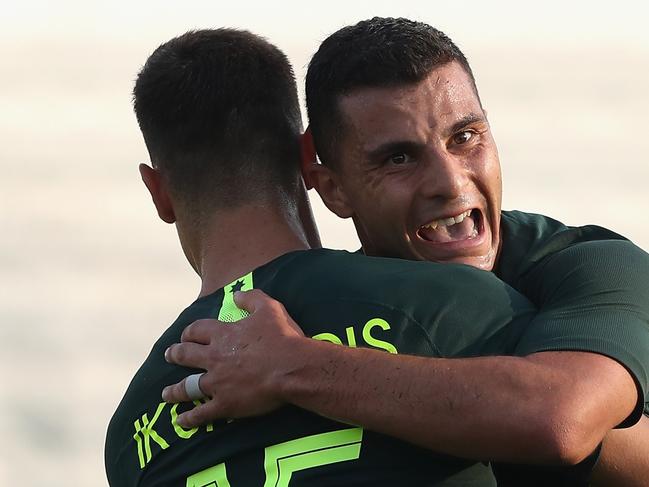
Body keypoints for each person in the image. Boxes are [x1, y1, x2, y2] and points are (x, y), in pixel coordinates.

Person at [161, 18, 649, 485]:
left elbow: (559, 420)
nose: (450, 183)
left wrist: (295, 367)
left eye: (465, 137)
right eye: (399, 158)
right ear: (331, 188)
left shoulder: (591, 263)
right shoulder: (316, 311)